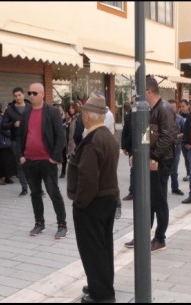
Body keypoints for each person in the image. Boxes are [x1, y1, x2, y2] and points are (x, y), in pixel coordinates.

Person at [67, 92, 119, 303]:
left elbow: (88, 179)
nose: (81, 117)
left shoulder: (92, 141)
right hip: (106, 199)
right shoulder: (106, 135)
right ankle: (101, 284)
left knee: (93, 249)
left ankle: (102, 294)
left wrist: (80, 203)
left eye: (83, 113)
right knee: (103, 246)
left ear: (87, 115)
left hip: (93, 203)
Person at [124, 77, 177, 251]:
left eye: (139, 91)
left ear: (148, 91)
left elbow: (168, 137)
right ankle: (143, 236)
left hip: (160, 163)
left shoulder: (164, 109)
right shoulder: (150, 109)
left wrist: (152, 157)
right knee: (147, 201)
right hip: (149, 161)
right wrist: (137, 153)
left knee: (158, 201)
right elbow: (145, 135)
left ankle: (160, 238)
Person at [17, 83, 68, 239]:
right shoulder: (26, 113)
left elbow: (61, 136)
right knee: (35, 193)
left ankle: (62, 224)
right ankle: (39, 223)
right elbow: (20, 137)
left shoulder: (51, 112)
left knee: (53, 192)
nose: (31, 96)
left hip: (47, 161)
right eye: (29, 93)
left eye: (34, 93)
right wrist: (21, 155)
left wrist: (54, 157)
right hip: (30, 161)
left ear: (42, 94)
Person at [2, 87, 32, 197]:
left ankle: (36, 188)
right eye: (15, 96)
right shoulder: (9, 110)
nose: (17, 97)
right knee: (20, 165)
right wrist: (13, 124)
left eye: (19, 95)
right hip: (16, 141)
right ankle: (24, 188)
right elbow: (3, 125)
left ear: (23, 95)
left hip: (31, 140)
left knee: (33, 165)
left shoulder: (30, 107)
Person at [0, 102, 16, 185]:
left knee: (8, 162)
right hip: (1, 143)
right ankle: (0, 178)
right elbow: (4, 130)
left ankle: (7, 177)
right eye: (6, 107)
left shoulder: (3, 117)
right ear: (2, 109)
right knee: (2, 162)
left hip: (6, 143)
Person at [168, 99, 185, 196]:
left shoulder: (180, 119)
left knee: (174, 168)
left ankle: (175, 187)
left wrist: (178, 136)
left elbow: (184, 131)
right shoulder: (163, 117)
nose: (172, 109)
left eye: (174, 107)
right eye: (170, 107)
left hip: (177, 146)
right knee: (165, 168)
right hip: (165, 146)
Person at [120, 99, 134, 201]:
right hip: (132, 147)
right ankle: (132, 192)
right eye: (132, 103)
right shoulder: (129, 116)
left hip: (145, 148)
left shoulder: (148, 114)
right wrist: (124, 146)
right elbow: (125, 132)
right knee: (133, 170)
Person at [179, 99, 191, 182]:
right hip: (183, 142)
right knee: (186, 158)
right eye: (180, 106)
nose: (182, 108)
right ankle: (188, 174)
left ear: (188, 106)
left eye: (183, 106)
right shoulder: (179, 116)